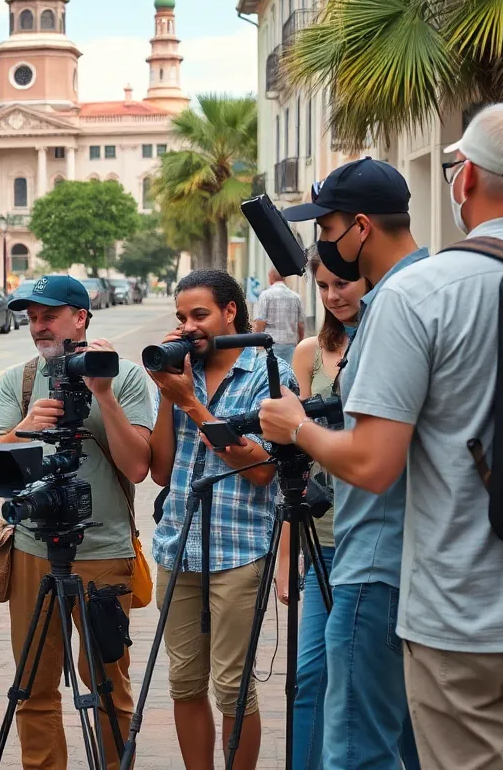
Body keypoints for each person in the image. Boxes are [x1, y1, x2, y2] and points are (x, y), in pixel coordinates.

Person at [259, 103, 503, 770]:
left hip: (470, 615)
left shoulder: (422, 294)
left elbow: (374, 464)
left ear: (463, 180)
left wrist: (296, 427)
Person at [271, 156, 427, 770]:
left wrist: (298, 427)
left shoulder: (393, 304)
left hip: (375, 556)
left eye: (327, 228)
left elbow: (371, 463)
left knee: (358, 748)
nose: (322, 245)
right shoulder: (433, 284)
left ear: (360, 227)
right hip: (412, 554)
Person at [0, 274, 153, 770]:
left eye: (49, 316)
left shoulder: (122, 376)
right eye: (32, 318)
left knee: (107, 683)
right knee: (35, 685)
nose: (38, 327)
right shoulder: (18, 381)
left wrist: (102, 394)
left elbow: (138, 467)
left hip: (104, 550)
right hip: (34, 550)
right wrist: (24, 428)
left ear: (80, 318)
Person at [147, 269, 290, 770]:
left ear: (231, 311)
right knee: (184, 682)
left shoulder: (268, 373)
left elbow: (262, 468)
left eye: (200, 315)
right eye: (182, 317)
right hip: (178, 546)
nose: (189, 327)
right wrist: (169, 395)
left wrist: (191, 401)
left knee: (232, 686)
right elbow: (160, 469)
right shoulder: (180, 375)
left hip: (239, 549)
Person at [275, 248, 369, 770]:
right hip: (325, 537)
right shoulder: (310, 352)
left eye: (343, 283)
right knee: (310, 673)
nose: (334, 295)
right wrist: (290, 553)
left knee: (380, 680)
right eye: (324, 285)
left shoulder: (387, 338)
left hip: (378, 537)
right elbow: (297, 458)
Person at [252, 268, 305, 364]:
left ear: (271, 277)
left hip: (270, 345)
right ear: (284, 277)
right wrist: (299, 343)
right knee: (288, 375)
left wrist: (257, 343)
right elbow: (301, 324)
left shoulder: (265, 295)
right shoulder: (296, 297)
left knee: (270, 375)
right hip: (290, 346)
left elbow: (260, 321)